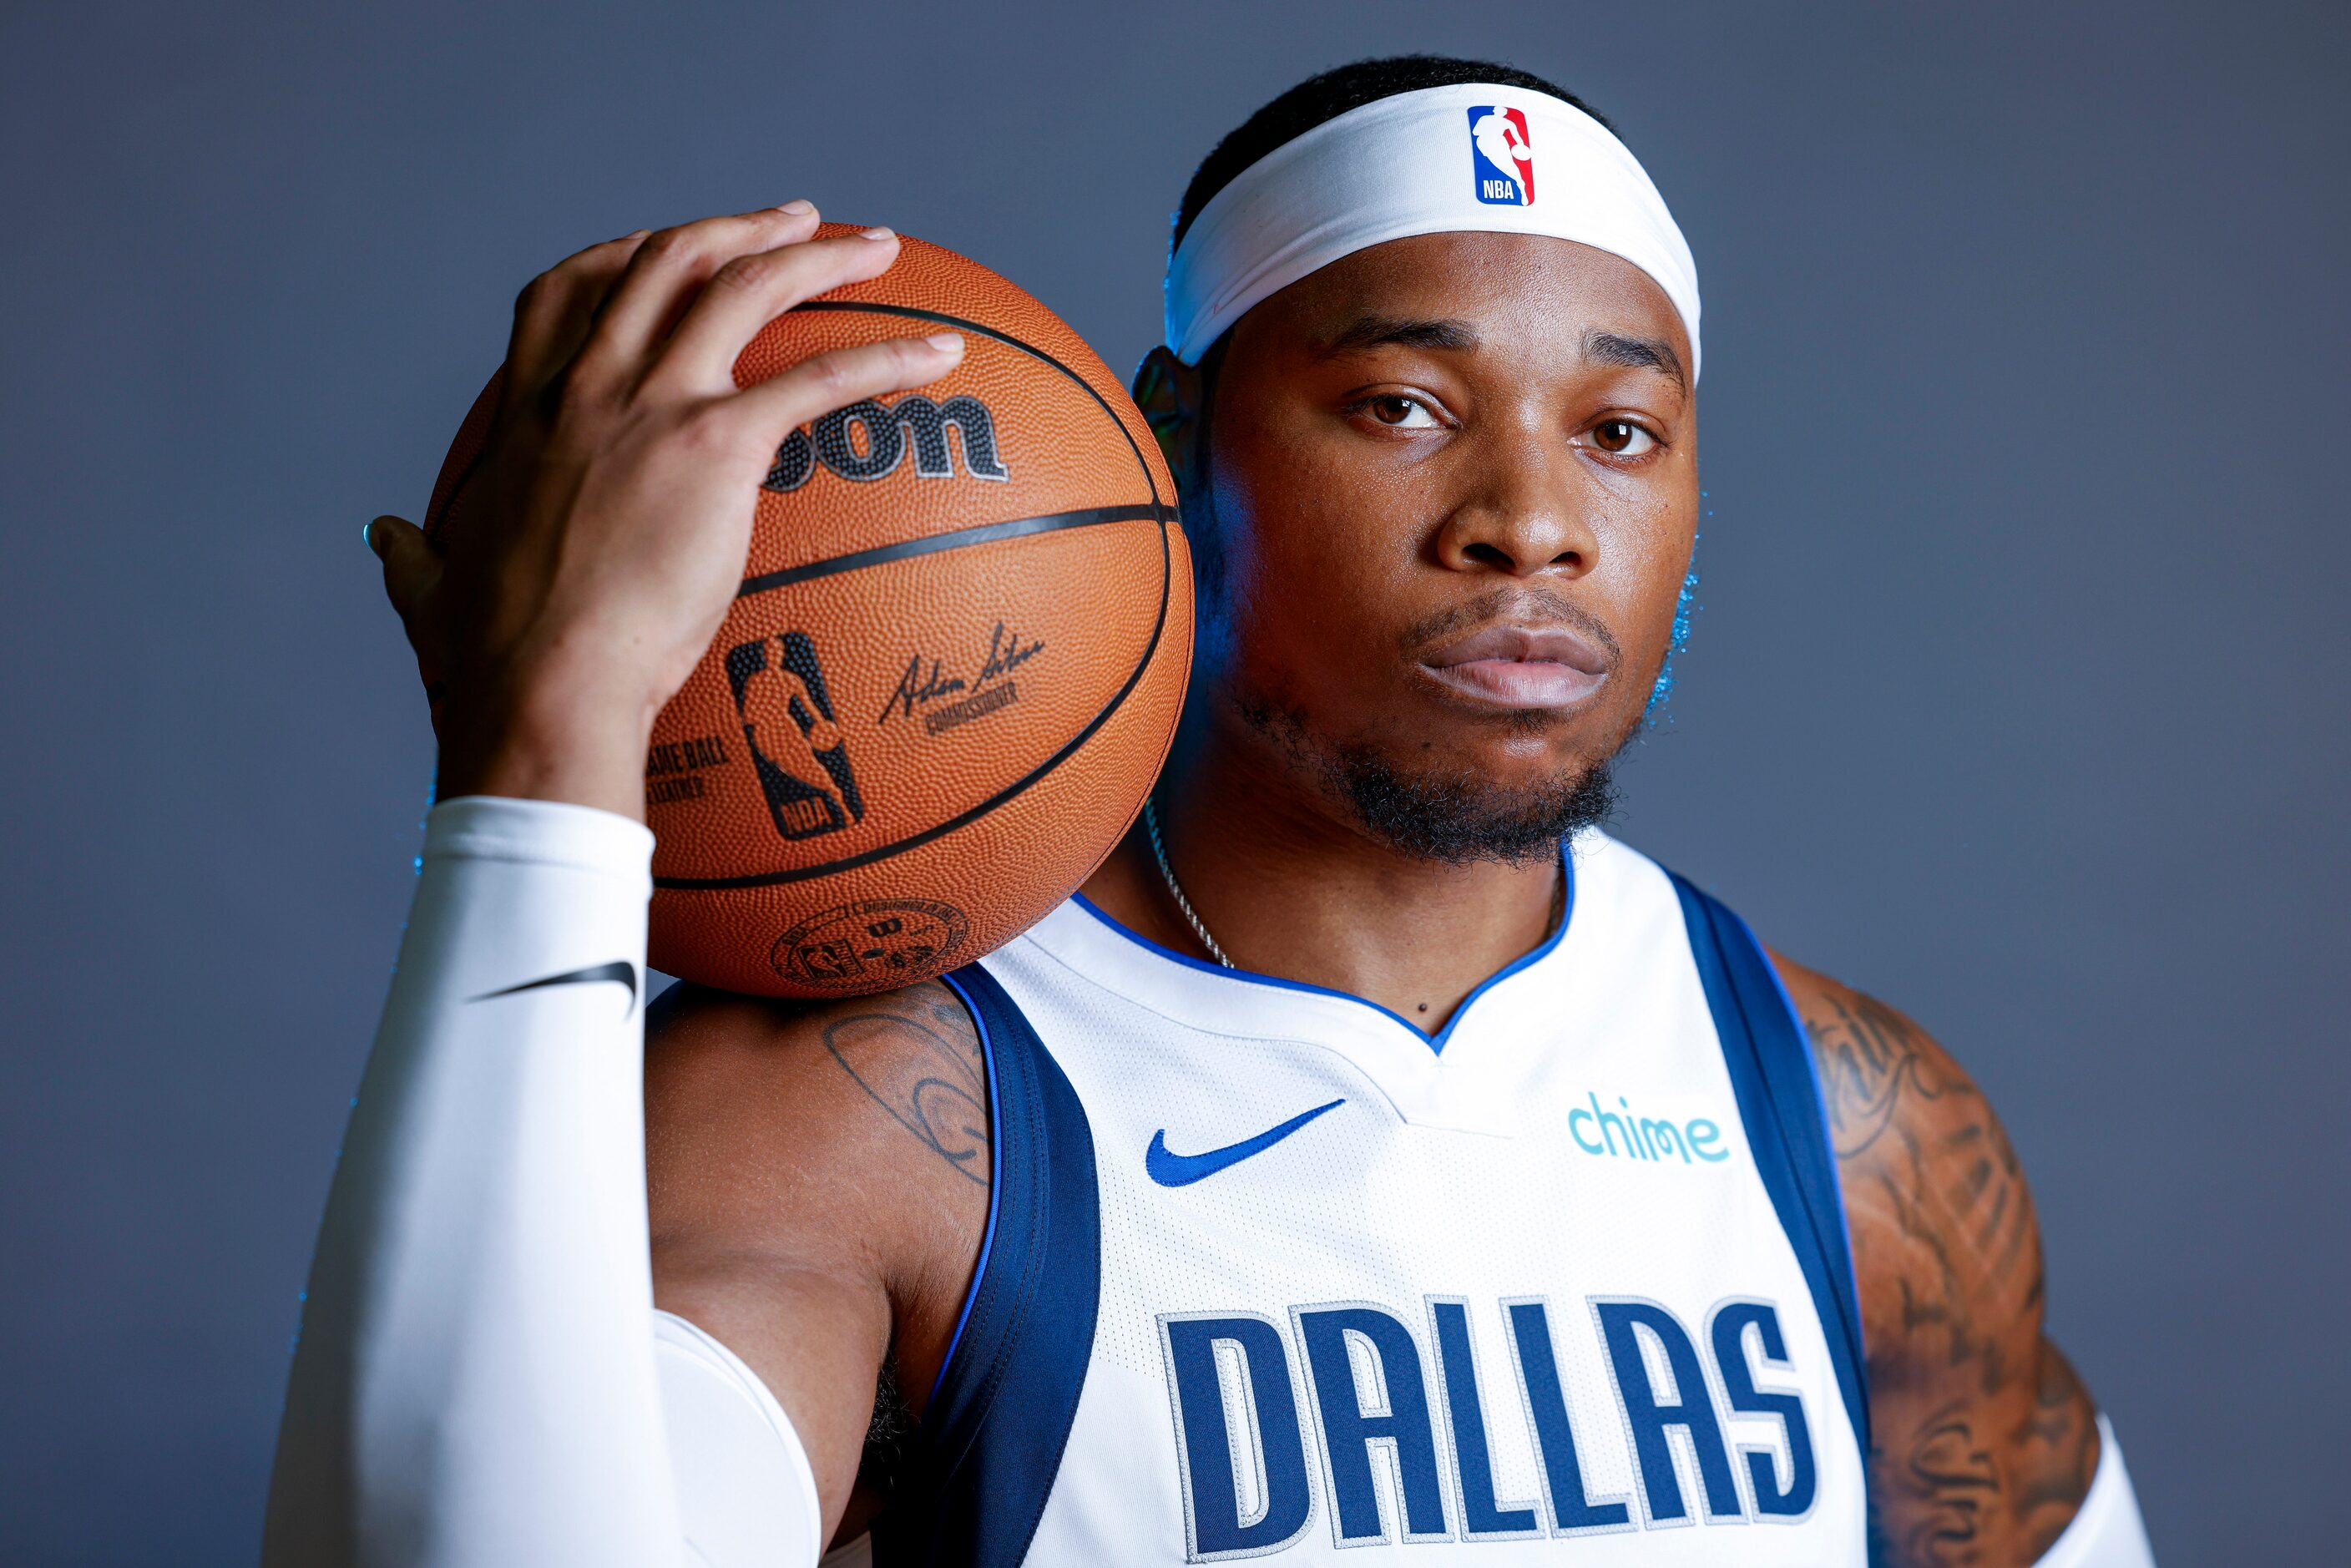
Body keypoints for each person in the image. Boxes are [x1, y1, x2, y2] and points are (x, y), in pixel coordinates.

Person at [263, 54, 2158, 1568]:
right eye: (1404, 404)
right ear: (1169, 440)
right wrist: (547, 769)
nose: (1535, 515)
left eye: (1619, 432)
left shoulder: (1847, 1125)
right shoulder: (869, 1115)